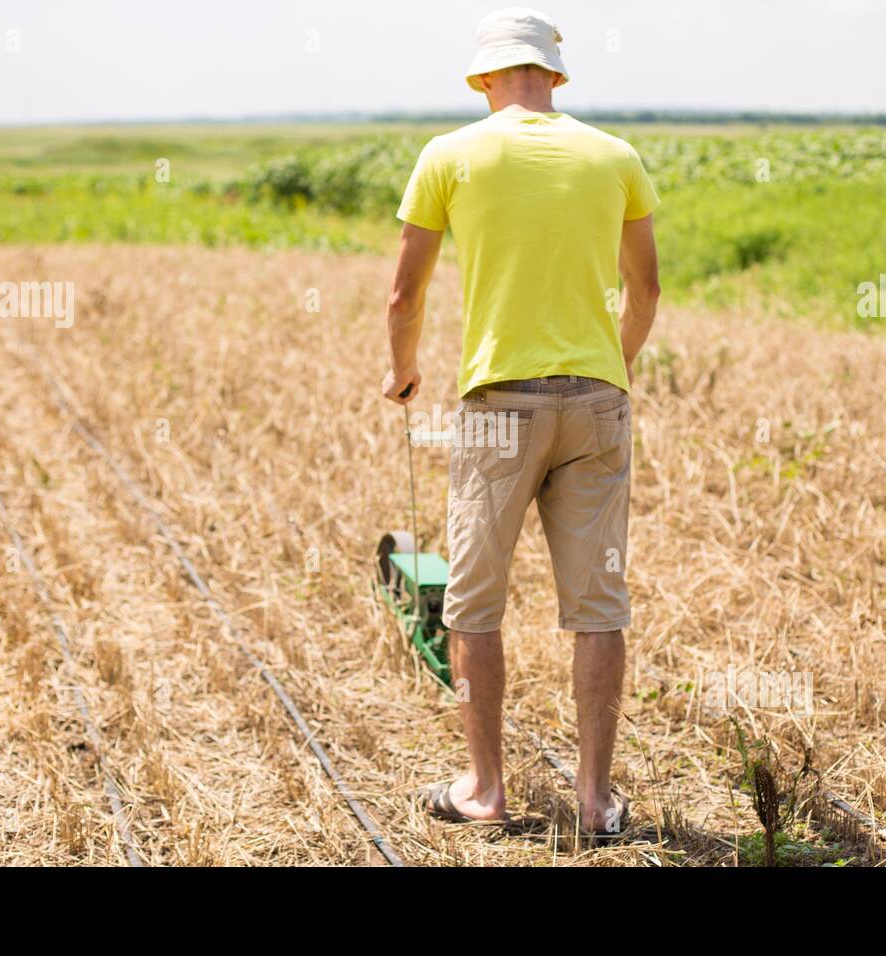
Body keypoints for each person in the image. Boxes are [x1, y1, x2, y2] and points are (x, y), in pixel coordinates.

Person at [381, 6, 661, 835]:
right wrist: (613, 368)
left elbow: (404, 293)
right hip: (596, 402)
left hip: (499, 405)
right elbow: (645, 293)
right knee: (599, 606)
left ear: (484, 76)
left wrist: (402, 372)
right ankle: (596, 801)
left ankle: (485, 791)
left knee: (473, 606)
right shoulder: (616, 157)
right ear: (555, 73)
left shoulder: (450, 156)